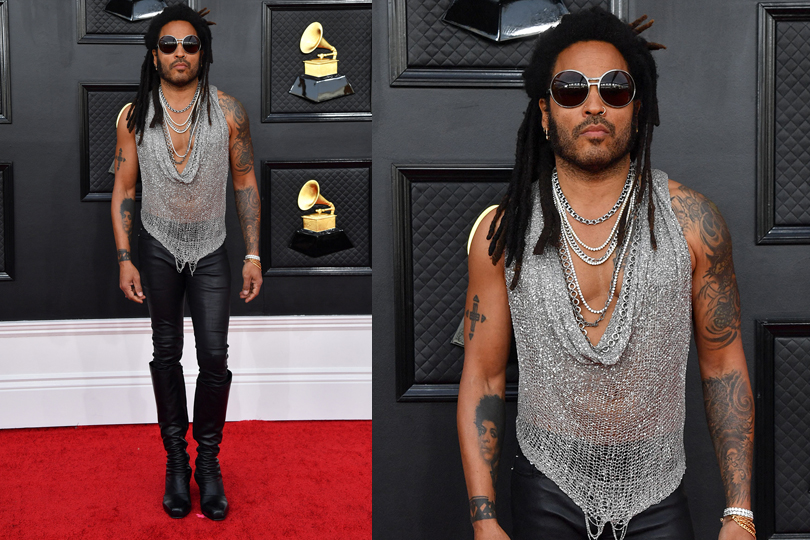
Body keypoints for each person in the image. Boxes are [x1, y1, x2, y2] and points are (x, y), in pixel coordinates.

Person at [457, 8, 754, 540]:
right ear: (545, 112)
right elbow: (483, 377)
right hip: (545, 483)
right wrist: (484, 517)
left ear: (637, 109)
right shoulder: (502, 234)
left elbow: (723, 364)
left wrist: (740, 511)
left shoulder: (694, 223)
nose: (594, 104)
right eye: (571, 89)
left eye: (614, 89)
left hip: (657, 487)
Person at [110, 5, 262, 521]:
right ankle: (176, 461)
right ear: (154, 55)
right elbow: (124, 190)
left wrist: (253, 253)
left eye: (190, 44)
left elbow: (244, 180)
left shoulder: (229, 111)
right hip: (155, 246)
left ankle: (208, 463)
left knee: (215, 358)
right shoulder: (134, 115)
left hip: (213, 248)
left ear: (204, 52)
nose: (180, 53)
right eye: (169, 45)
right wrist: (125, 257)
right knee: (166, 353)